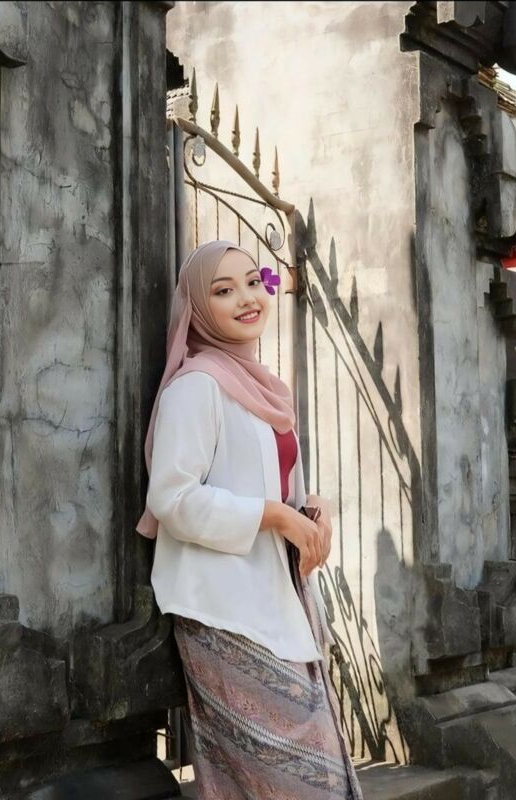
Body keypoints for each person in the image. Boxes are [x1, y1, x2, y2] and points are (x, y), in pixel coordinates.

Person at [137, 240, 363, 800]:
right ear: (198, 306)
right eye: (223, 289)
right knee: (297, 785)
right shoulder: (196, 386)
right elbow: (172, 498)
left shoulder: (264, 388)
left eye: (253, 282)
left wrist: (311, 509)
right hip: (224, 613)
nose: (246, 297)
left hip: (279, 605)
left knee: (316, 775)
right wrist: (273, 515)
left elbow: (271, 482)